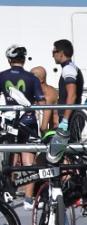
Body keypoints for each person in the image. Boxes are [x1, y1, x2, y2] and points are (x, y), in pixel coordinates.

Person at [0, 45, 44, 208]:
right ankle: (28, 200)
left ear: (9, 60)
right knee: (28, 161)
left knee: (9, 159)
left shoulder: (2, 76)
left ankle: (8, 193)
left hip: (10, 121)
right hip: (28, 121)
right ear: (24, 60)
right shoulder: (32, 78)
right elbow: (41, 102)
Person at [47, 39, 83, 162]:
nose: (52, 55)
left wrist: (65, 119)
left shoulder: (68, 69)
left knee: (67, 155)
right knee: (67, 156)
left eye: (54, 52)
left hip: (71, 118)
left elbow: (72, 95)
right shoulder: (70, 68)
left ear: (61, 53)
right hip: (71, 116)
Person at [30, 66, 58, 133]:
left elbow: (44, 127)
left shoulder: (48, 95)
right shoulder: (36, 92)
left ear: (41, 80)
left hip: (53, 131)